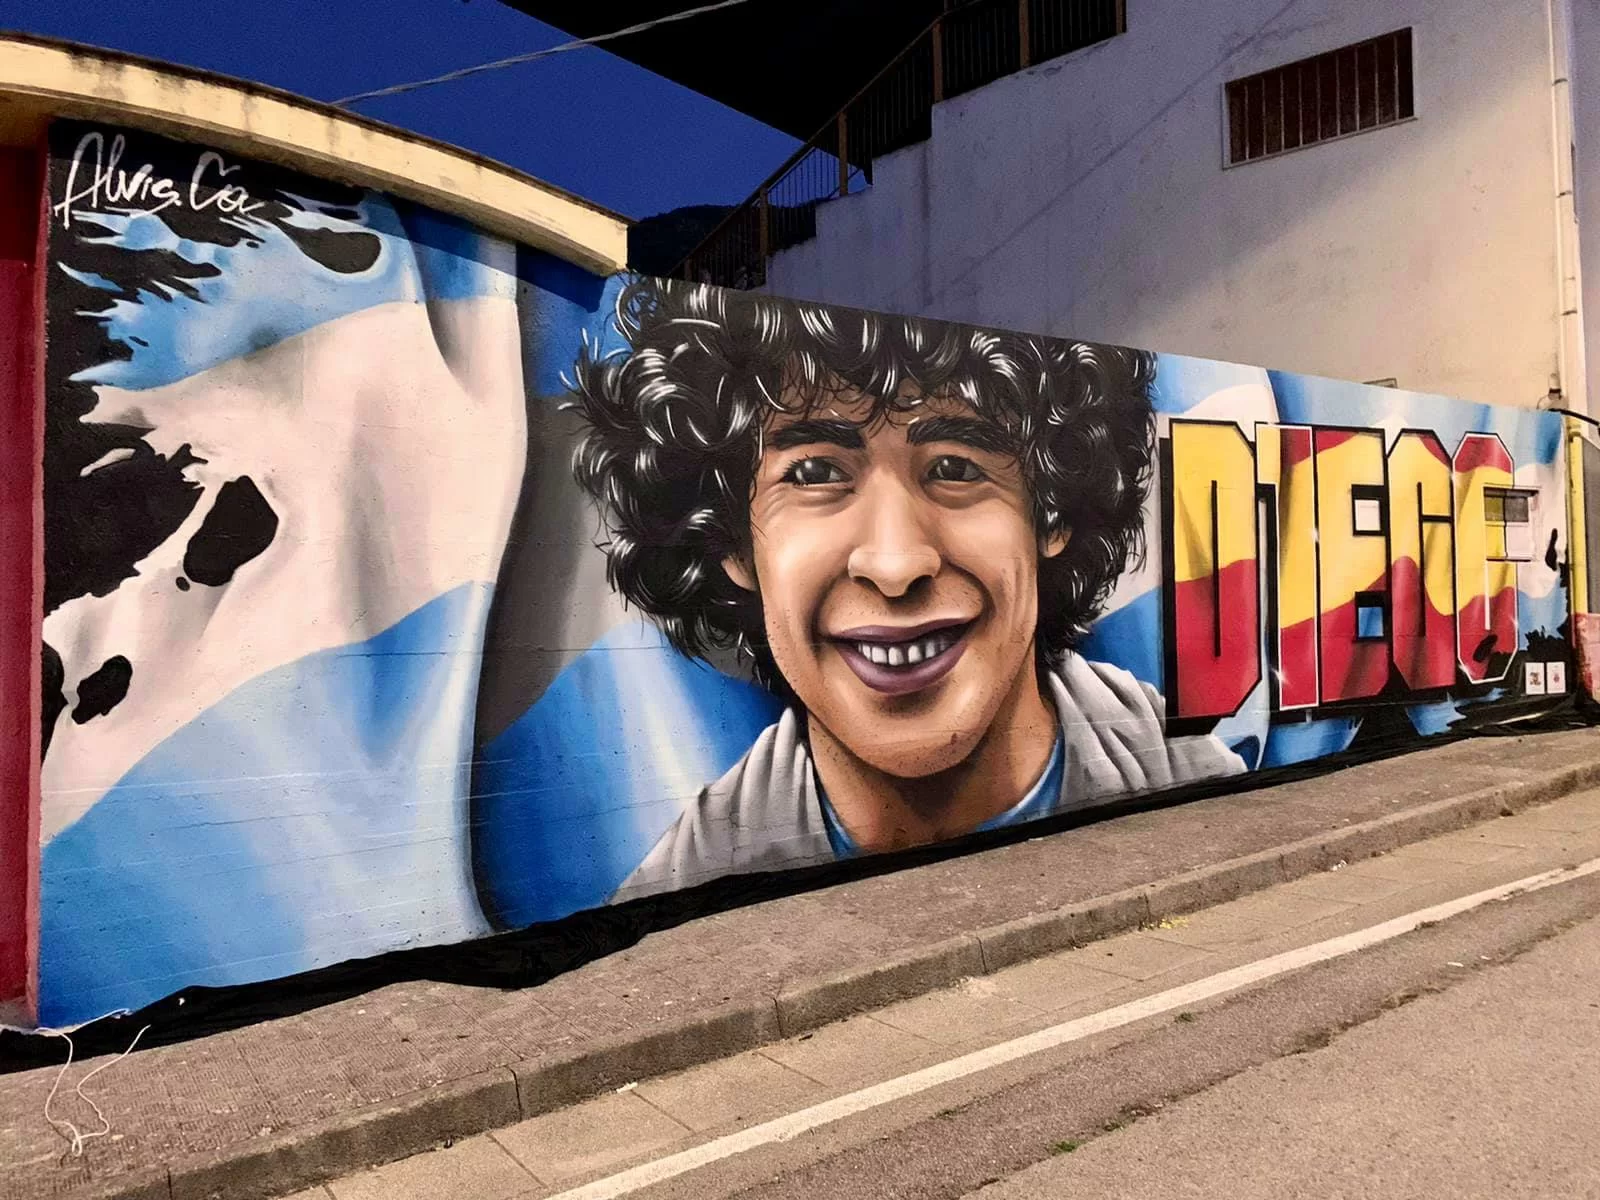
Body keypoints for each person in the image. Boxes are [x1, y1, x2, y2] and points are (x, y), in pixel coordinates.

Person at [567, 278, 1243, 899]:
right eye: (814, 473)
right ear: (732, 544)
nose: (894, 565)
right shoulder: (681, 888)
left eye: (956, 466)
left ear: (1052, 513)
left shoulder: (1199, 784)